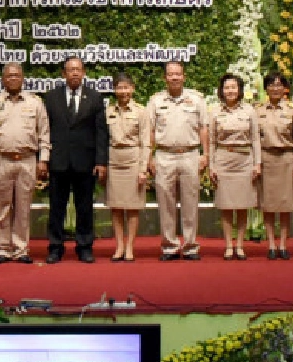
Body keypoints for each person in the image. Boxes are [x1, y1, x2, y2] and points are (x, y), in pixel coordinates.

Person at [0, 63, 50, 264]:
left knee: (23, 207)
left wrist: (43, 159)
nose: (13, 79)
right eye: (9, 76)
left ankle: (21, 249)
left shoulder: (35, 102)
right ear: (3, 79)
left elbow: (44, 133)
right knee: (2, 207)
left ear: (22, 78)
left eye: (17, 75)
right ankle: (2, 249)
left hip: (27, 160)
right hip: (1, 159)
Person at [43, 56, 108, 264]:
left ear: (84, 72)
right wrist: (43, 159)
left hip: (85, 161)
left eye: (78, 69)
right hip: (58, 160)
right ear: (64, 74)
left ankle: (85, 247)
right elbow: (44, 130)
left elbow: (101, 132)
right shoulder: (51, 98)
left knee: (85, 207)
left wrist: (101, 161)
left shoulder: (95, 97)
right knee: (57, 208)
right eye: (70, 70)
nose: (75, 73)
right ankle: (55, 247)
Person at [148, 60, 209, 261]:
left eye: (178, 74)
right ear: (165, 78)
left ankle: (190, 246)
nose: (174, 77)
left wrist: (205, 155)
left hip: (190, 154)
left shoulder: (197, 99)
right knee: (166, 203)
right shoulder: (155, 101)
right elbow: (150, 131)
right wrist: (149, 157)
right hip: (164, 155)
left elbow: (204, 128)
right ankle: (169, 247)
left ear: (184, 76)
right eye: (170, 74)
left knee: (191, 202)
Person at [209, 73, 261, 260]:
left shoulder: (249, 111)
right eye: (227, 87)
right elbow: (212, 141)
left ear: (239, 90)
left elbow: (255, 139)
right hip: (223, 159)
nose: (230, 91)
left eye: (233, 87)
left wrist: (257, 163)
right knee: (225, 205)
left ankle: (239, 245)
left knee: (242, 205)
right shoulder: (215, 112)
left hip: (244, 160)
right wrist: (211, 166)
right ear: (222, 91)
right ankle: (228, 245)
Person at [104, 72, 148, 263]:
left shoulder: (141, 112)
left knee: (132, 207)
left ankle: (130, 246)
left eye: (126, 87)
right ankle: (119, 246)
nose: (123, 91)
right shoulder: (108, 111)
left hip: (133, 160)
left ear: (132, 89)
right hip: (114, 161)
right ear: (115, 90)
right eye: (119, 87)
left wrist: (143, 169)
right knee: (115, 207)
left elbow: (146, 142)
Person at [258, 71, 293, 260]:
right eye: (271, 85)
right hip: (266, 158)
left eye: (279, 85)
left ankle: (283, 244)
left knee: (285, 204)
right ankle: (271, 244)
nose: (275, 88)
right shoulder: (258, 110)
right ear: (266, 88)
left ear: (285, 88)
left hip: (286, 159)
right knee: (267, 204)